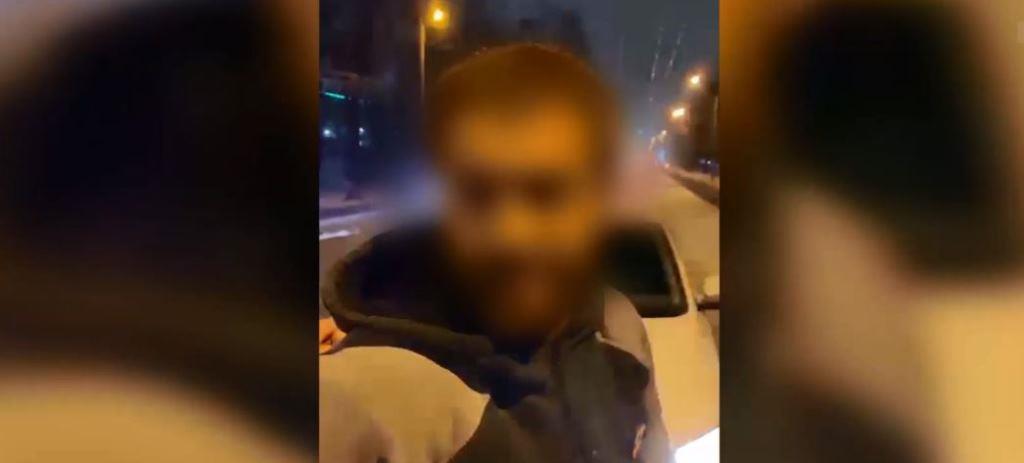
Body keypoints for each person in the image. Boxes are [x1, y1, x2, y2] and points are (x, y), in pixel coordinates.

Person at [319, 44, 669, 462]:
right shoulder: (365, 399)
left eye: (546, 193)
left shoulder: (617, 326)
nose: (511, 234)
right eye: (476, 194)